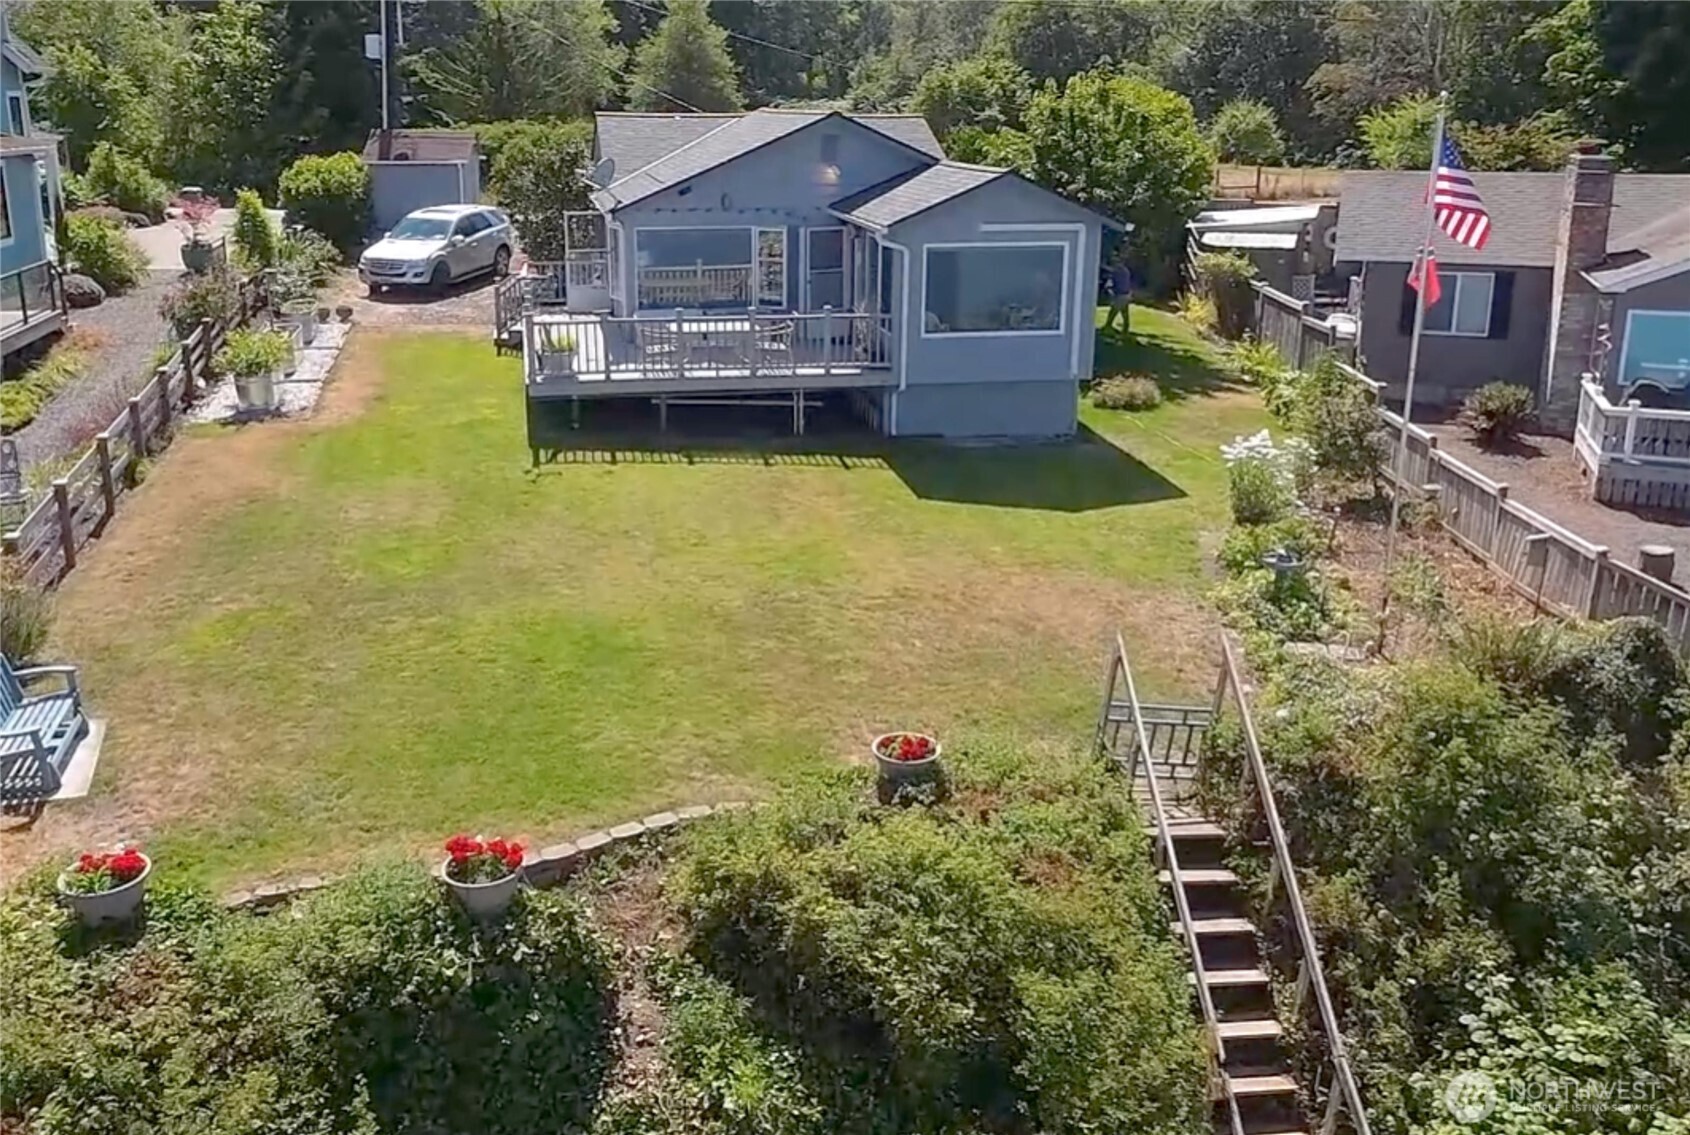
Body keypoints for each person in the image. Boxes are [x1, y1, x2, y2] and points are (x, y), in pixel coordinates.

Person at [1102, 252, 1133, 335]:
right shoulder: (1125, 270)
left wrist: (1102, 265)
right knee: (1125, 314)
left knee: (1113, 312)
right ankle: (1125, 330)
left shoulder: (1118, 271)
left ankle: (1108, 326)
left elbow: (1110, 271)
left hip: (1121, 295)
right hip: (1126, 294)